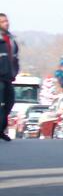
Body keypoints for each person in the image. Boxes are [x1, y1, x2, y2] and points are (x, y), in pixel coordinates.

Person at [0, 13, 19, 141]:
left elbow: (15, 57)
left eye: (6, 21)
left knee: (10, 101)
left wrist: (15, 70)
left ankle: (1, 128)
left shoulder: (11, 39)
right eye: (2, 21)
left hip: (9, 76)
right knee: (0, 104)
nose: (6, 23)